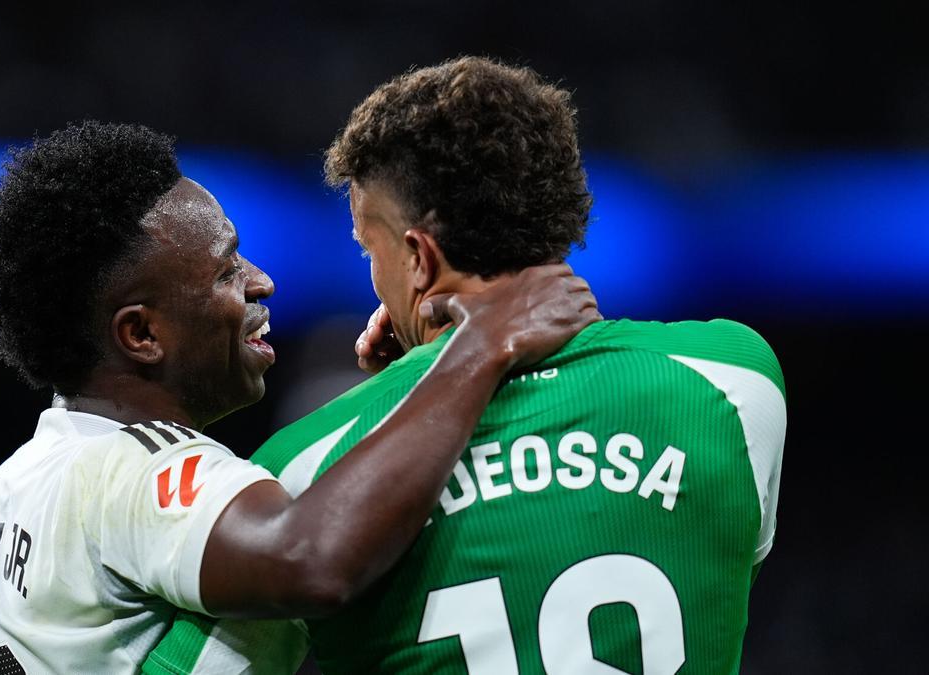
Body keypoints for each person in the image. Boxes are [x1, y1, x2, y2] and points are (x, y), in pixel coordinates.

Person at [146, 57, 786, 674]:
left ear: (418, 259)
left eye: (371, 250)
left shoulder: (304, 471)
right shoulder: (732, 378)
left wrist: (394, 402)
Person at [0, 120, 600, 673]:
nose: (263, 281)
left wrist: (412, 392)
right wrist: (480, 347)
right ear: (141, 332)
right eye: (227, 269)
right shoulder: (133, 468)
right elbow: (311, 558)